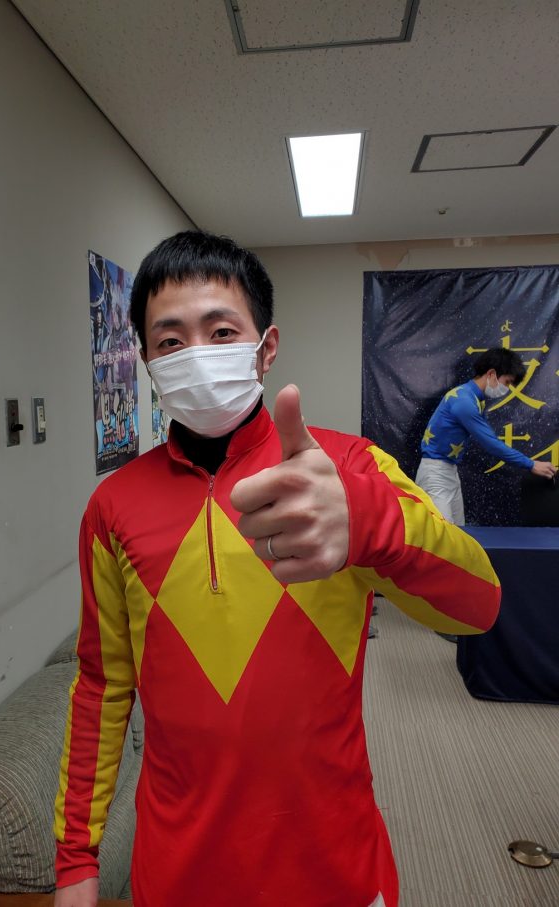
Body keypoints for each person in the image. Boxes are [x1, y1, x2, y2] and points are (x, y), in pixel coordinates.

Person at [53, 231, 501, 907]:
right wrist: (75, 861)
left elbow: (478, 606)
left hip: (335, 864)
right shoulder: (111, 507)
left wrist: (369, 520)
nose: (195, 354)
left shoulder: (347, 470)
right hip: (177, 871)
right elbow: (100, 685)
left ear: (265, 348)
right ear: (145, 361)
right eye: (170, 341)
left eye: (221, 331)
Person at [415, 347, 557, 526]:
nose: (507, 389)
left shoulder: (474, 398)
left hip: (449, 472)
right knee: (443, 537)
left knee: (459, 533)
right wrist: (531, 464)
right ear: (491, 374)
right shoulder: (464, 402)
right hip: (435, 474)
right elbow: (491, 444)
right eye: (507, 382)